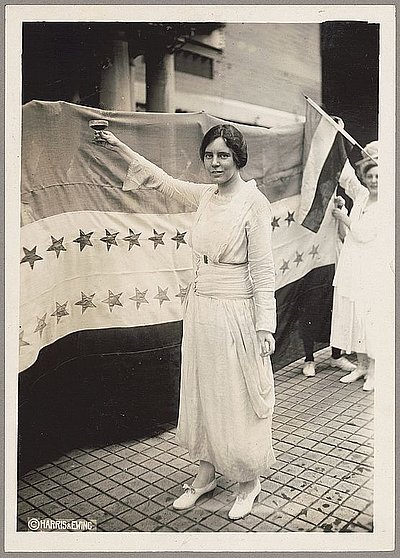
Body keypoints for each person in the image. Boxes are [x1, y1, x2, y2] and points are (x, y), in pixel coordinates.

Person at [94, 124, 276, 520]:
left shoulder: (253, 203)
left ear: (238, 157)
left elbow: (263, 270)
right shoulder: (207, 196)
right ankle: (206, 474)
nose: (215, 163)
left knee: (237, 397)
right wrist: (118, 146)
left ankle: (248, 482)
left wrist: (265, 325)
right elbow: (163, 182)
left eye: (223, 155)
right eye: (209, 155)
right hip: (201, 309)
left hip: (236, 311)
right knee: (203, 391)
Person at [330, 156, 378, 391]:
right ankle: (361, 366)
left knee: (370, 319)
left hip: (371, 269)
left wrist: (344, 218)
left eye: (378, 176)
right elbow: (348, 179)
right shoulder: (362, 196)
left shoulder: (387, 203)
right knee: (356, 316)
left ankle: (374, 372)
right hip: (352, 267)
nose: (374, 180)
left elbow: (364, 234)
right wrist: (336, 140)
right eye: (370, 176)